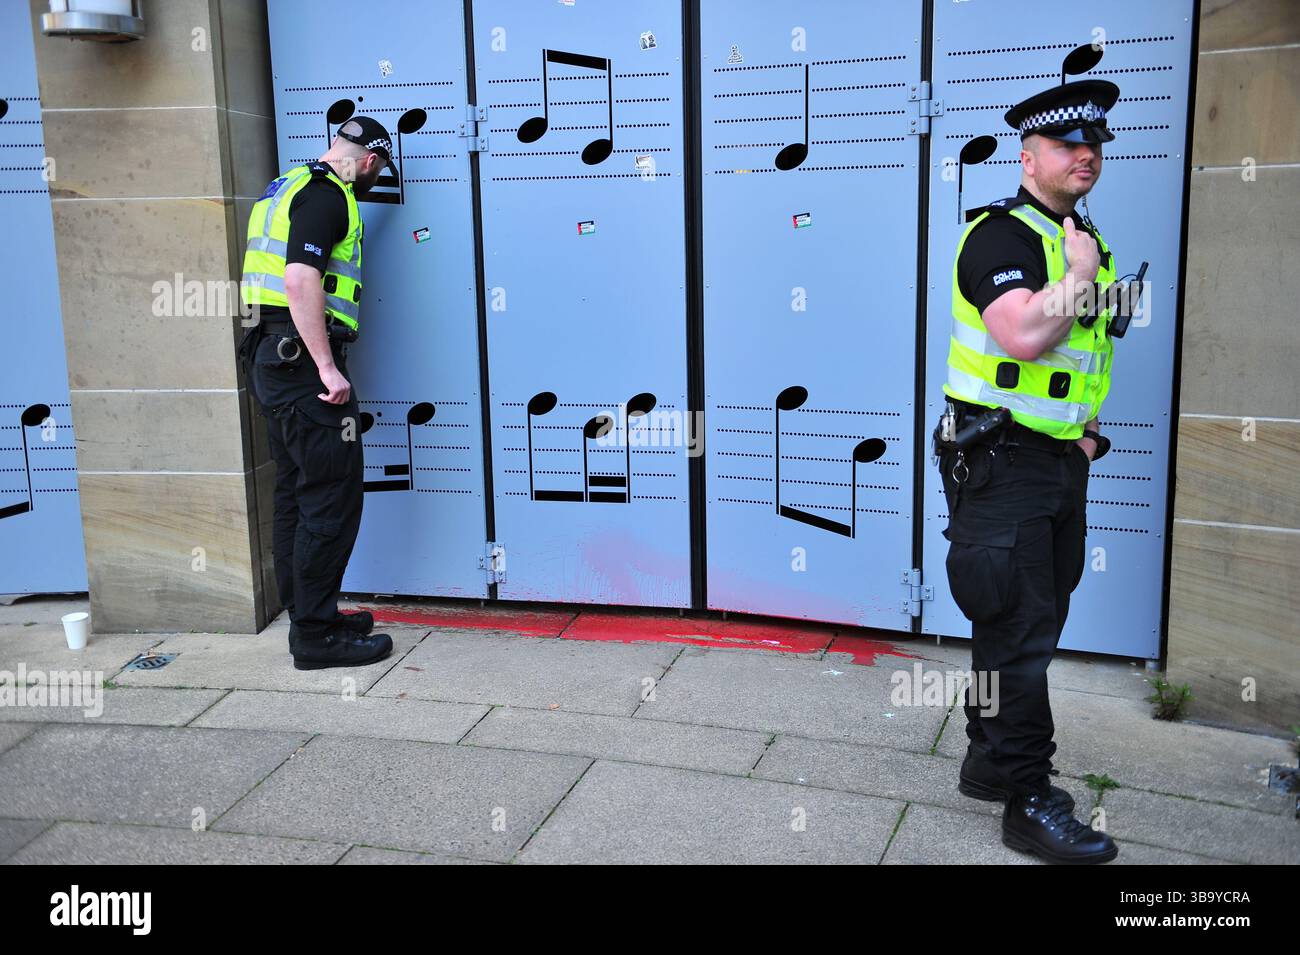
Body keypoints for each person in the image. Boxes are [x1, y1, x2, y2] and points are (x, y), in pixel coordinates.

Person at [934, 77, 1126, 863]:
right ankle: (1028, 797)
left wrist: (1084, 438)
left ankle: (986, 755)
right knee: (1019, 629)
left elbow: (1087, 356)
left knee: (1025, 616)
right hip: (999, 459)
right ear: (1028, 155)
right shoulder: (1001, 237)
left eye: (1095, 145)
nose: (1086, 155)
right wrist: (1077, 278)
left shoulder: (1082, 237)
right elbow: (1018, 336)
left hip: (1055, 459)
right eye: (1068, 144)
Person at [238, 116, 396, 671]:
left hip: (271, 358)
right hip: (301, 365)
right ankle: (315, 636)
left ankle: (310, 613)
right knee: (332, 492)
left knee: (296, 488)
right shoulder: (329, 196)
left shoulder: (286, 185)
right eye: (379, 172)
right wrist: (326, 367)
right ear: (369, 161)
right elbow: (301, 278)